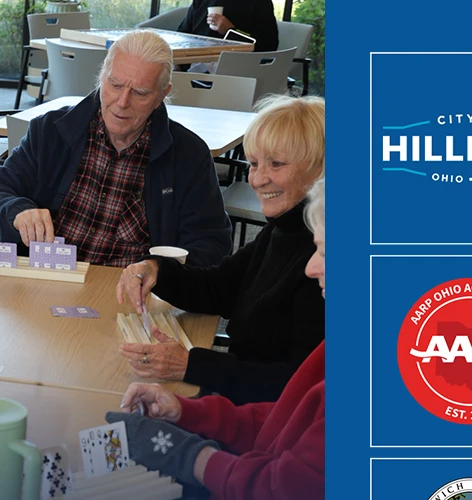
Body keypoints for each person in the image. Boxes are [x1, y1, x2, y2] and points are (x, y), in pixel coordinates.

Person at [107, 175, 325, 500]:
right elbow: (287, 419)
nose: (311, 266)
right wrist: (187, 413)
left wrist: (186, 454)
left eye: (326, 252)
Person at [116, 94, 324, 405]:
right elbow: (218, 288)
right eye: (253, 163)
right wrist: (155, 268)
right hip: (242, 404)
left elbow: (298, 389)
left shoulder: (321, 262)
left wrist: (191, 364)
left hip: (264, 421)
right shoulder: (284, 228)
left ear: (320, 168)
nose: (257, 179)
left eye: (276, 164)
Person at [0, 30, 232, 269]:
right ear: (101, 77)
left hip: (128, 290)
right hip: (49, 275)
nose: (122, 103)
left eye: (140, 92)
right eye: (115, 85)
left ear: (161, 96)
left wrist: (161, 268)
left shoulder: (190, 156)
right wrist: (17, 210)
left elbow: (212, 244)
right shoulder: (52, 131)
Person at [176, 0, 279, 53]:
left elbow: (268, 45)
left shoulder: (259, 3)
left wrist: (230, 31)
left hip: (235, 70)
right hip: (193, 66)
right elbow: (182, 33)